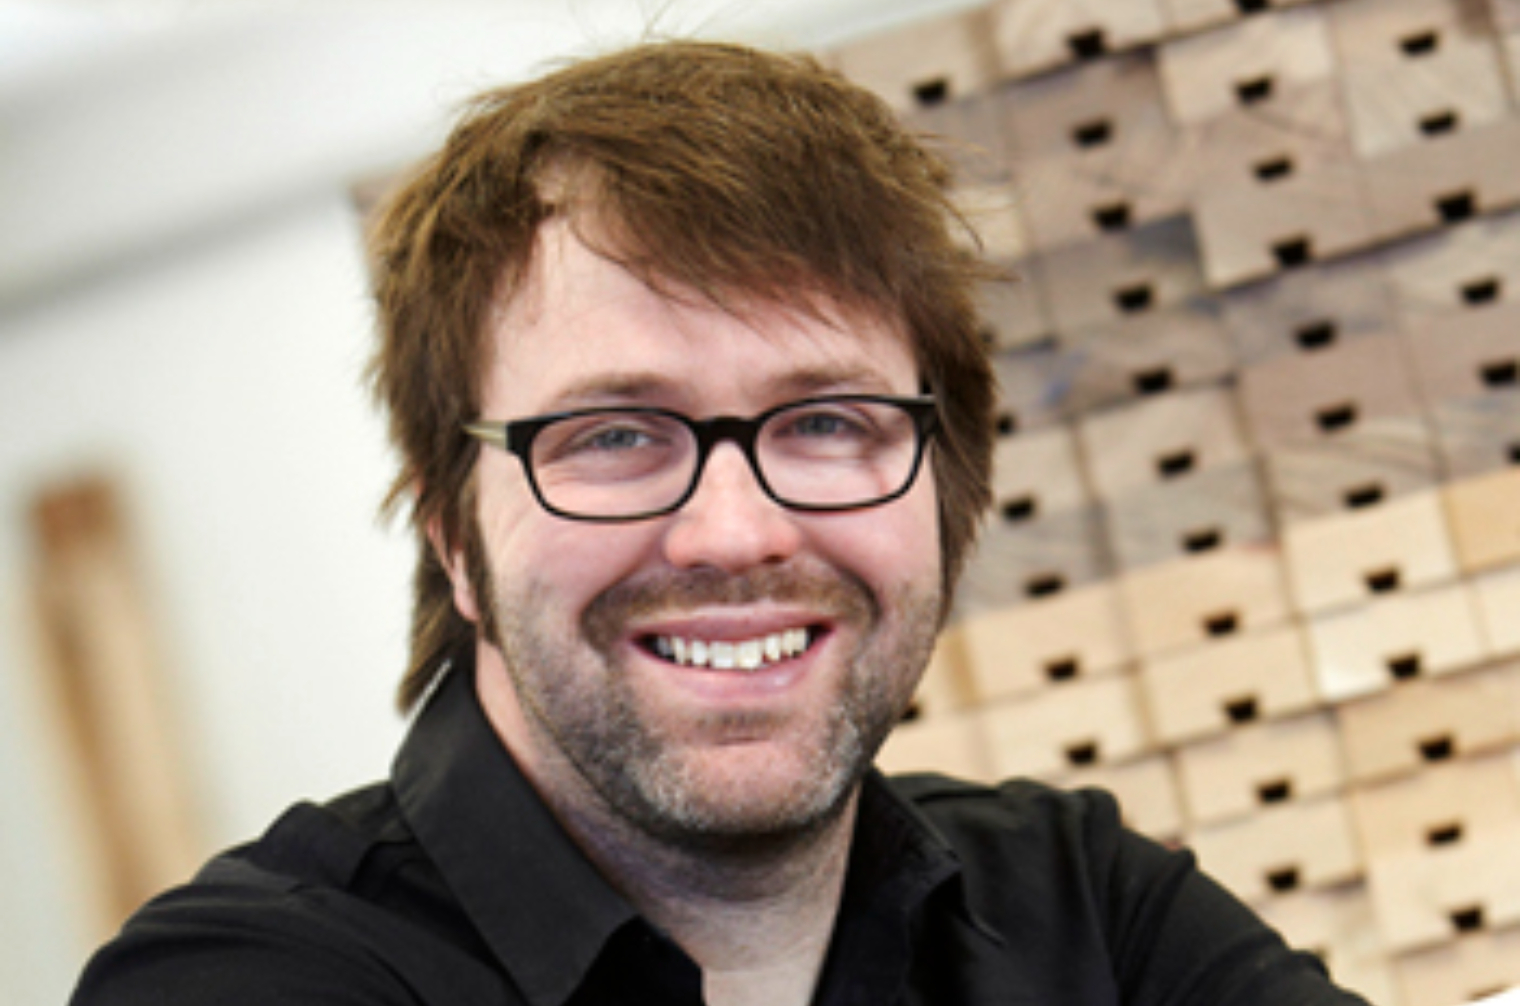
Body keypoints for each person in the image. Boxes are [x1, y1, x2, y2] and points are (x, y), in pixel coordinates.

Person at [72, 39, 1369, 1006]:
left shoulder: (1088, 913)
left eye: (826, 422)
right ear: (454, 538)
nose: (735, 532)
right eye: (615, 436)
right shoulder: (248, 981)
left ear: (948, 487)